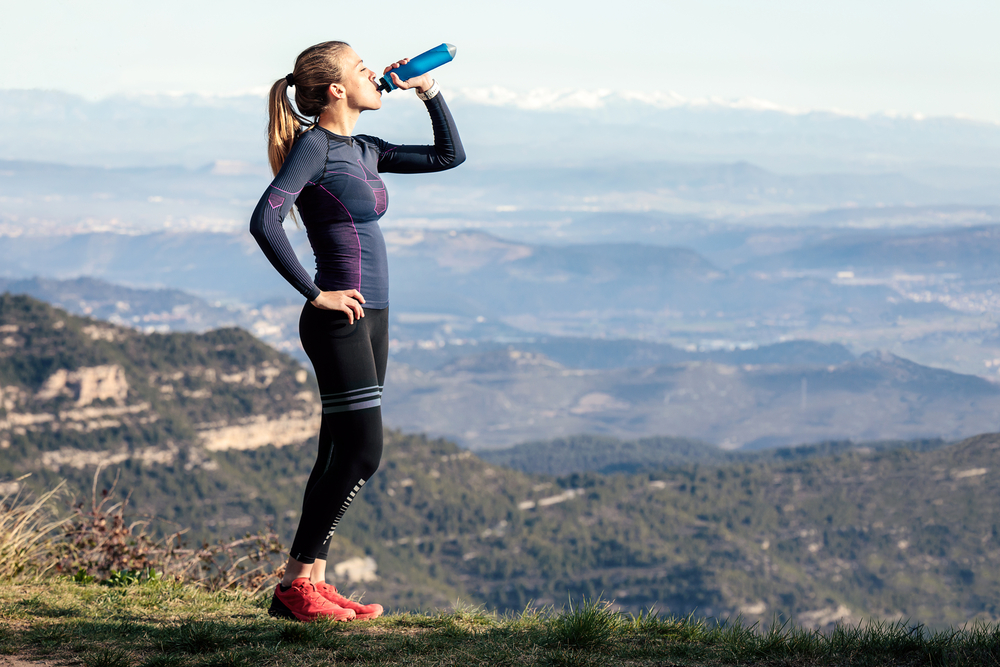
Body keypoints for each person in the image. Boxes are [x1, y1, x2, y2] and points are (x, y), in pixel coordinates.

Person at [248, 40, 465, 622]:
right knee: (364, 452)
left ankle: (313, 583)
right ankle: (293, 585)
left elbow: (449, 157)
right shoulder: (314, 146)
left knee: (337, 451)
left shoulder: (364, 147)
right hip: (337, 318)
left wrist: (430, 92)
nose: (377, 74)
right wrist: (316, 293)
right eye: (363, 69)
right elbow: (265, 218)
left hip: (375, 317)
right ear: (337, 89)